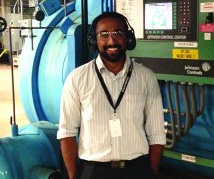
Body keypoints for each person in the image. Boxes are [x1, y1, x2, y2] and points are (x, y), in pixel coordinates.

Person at [57, 11, 166, 179]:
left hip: (136, 170)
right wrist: (73, 176)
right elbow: (67, 132)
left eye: (118, 33)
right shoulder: (77, 79)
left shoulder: (146, 77)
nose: (112, 40)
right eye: (104, 34)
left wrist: (151, 172)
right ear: (94, 40)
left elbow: (157, 133)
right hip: (93, 171)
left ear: (128, 38)